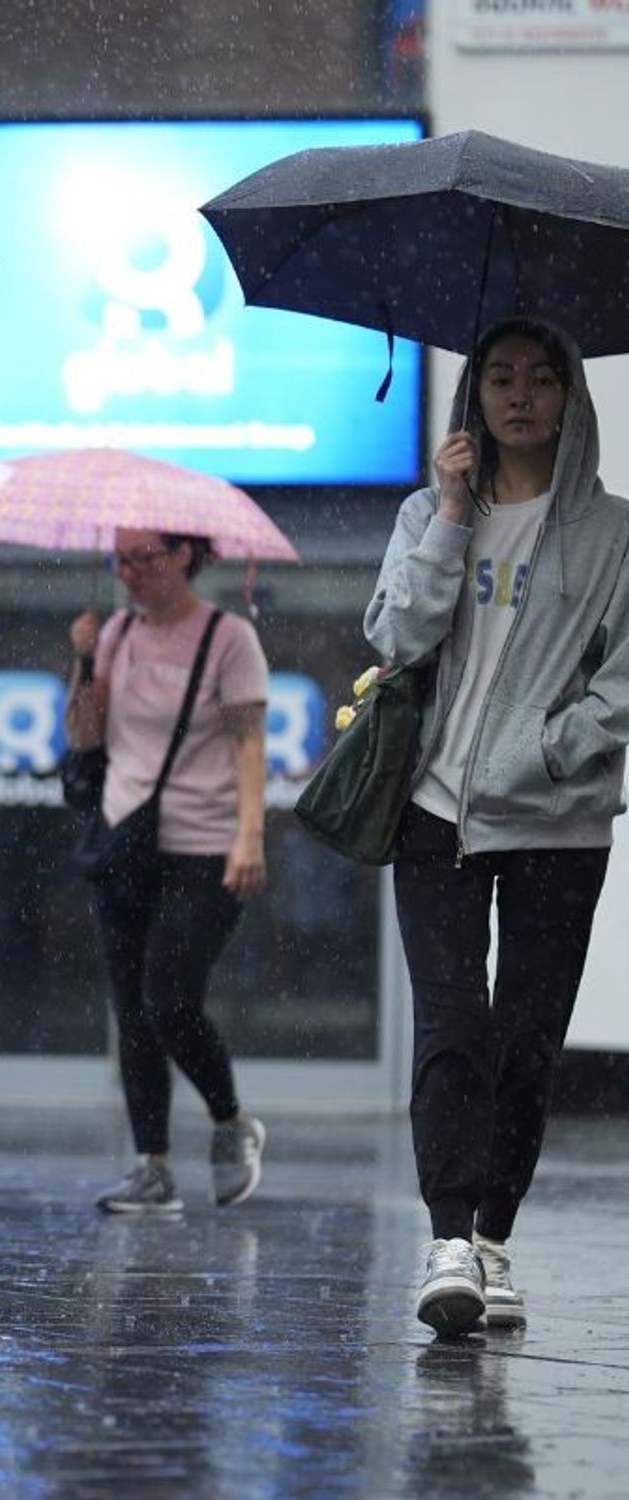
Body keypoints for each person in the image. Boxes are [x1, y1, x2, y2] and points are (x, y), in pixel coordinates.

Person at [365, 316, 629, 1337]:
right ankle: (444, 1239)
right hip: (433, 810)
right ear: (471, 398)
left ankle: (492, 1239)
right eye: (499, 378)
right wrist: (442, 515)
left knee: (525, 1041)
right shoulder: (425, 516)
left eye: (539, 378)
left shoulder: (611, 533)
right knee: (449, 1028)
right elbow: (391, 633)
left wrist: (552, 748)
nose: (518, 395)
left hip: (557, 821)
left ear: (569, 398)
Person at [66, 529, 270, 1215]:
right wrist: (84, 661)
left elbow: (249, 744)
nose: (130, 573)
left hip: (206, 845)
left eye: (145, 558)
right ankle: (152, 1164)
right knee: (132, 1012)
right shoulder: (116, 634)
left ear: (185, 555)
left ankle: (230, 1121)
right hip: (127, 842)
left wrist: (250, 835)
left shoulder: (228, 637)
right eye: (120, 559)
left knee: (168, 998)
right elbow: (85, 738)